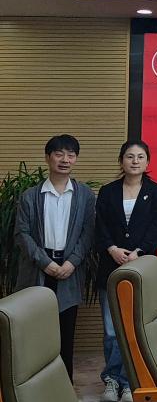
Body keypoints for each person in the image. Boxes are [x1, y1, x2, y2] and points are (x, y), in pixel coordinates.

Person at [15, 134, 96, 381]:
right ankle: (34, 388)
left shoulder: (84, 195)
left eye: (71, 155)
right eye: (59, 154)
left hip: (70, 268)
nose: (65, 159)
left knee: (65, 332)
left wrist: (71, 262)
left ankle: (64, 386)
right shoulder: (30, 195)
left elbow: (88, 233)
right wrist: (46, 263)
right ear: (48, 157)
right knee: (35, 331)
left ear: (76, 159)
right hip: (38, 268)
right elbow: (22, 234)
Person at [95, 140, 157, 402]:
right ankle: (112, 380)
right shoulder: (107, 191)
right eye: (129, 156)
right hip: (110, 266)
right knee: (112, 330)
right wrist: (112, 248)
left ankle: (129, 381)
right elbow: (99, 226)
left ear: (148, 162)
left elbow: (156, 229)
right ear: (121, 161)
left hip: (141, 268)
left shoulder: (156, 192)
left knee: (135, 328)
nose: (135, 161)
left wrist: (138, 252)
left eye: (140, 157)